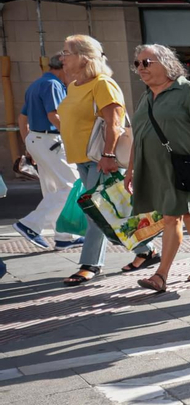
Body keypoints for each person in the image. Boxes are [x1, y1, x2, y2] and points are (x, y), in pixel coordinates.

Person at [55, 34, 157, 285]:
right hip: (82, 159)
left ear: (84, 57)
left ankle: (90, 264)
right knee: (112, 210)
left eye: (67, 53)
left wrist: (108, 155)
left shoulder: (103, 84)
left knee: (96, 212)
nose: (62, 58)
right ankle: (145, 251)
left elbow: (115, 123)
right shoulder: (74, 85)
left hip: (99, 158)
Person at [127, 45, 190, 293]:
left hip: (185, 167)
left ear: (166, 63)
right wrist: (131, 169)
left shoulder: (187, 91)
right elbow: (138, 135)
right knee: (188, 216)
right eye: (137, 64)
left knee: (172, 217)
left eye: (146, 62)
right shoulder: (146, 96)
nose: (140, 68)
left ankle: (160, 275)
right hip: (154, 168)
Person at [15, 56, 79, 249]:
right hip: (51, 140)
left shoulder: (36, 84)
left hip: (38, 139)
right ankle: (30, 224)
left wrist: (28, 143)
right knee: (71, 187)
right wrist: (72, 138)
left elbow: (21, 118)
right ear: (64, 68)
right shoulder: (53, 84)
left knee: (55, 189)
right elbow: (54, 115)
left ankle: (64, 237)